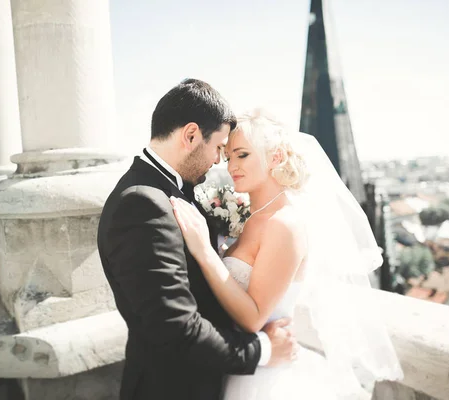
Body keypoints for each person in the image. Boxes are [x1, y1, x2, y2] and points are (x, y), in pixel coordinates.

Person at [170, 108, 404, 399]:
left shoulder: (285, 223)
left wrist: (205, 251)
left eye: (242, 155)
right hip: (238, 363)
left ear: (276, 157)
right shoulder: (251, 217)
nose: (231, 167)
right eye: (228, 157)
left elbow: (253, 318)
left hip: (265, 378)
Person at [97, 80, 298, 400]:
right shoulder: (141, 204)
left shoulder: (171, 191)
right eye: (219, 148)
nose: (222, 162)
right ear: (191, 135)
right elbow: (175, 328)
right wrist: (262, 350)